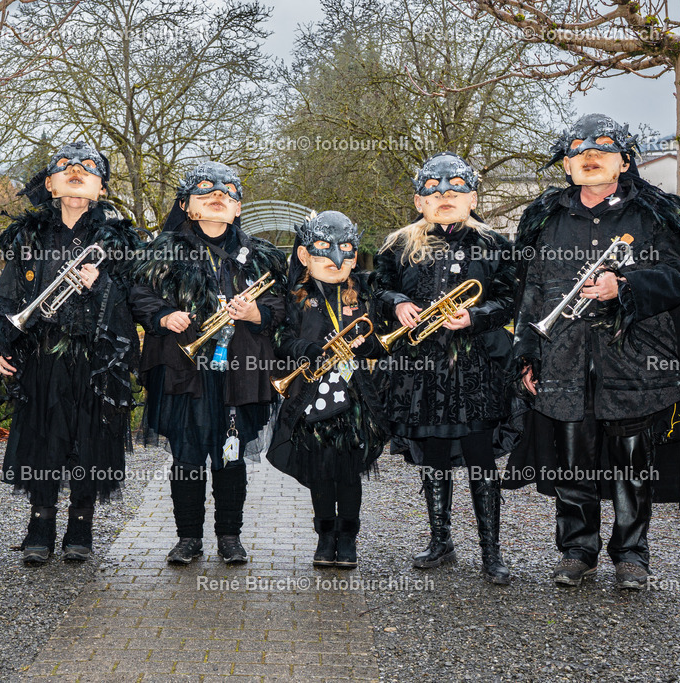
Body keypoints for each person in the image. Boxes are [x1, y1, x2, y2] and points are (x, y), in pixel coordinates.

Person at [509, 113, 680, 590]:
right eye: (578, 149)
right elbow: (532, 291)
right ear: (566, 165)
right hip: (564, 357)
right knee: (572, 461)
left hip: (634, 360)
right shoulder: (547, 219)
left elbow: (677, 278)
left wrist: (625, 285)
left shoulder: (655, 214)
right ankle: (577, 551)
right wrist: (528, 355)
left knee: (632, 465)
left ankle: (631, 555)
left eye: (602, 148)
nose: (589, 155)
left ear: (624, 161)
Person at [0, 141, 141, 564]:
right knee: (44, 442)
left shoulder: (119, 240)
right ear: (49, 184)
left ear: (102, 187)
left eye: (88, 169)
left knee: (89, 442)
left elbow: (134, 301)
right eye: (65, 167)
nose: (76, 172)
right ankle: (39, 526)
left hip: (96, 361)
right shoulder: (31, 236)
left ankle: (81, 527)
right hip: (43, 357)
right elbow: (7, 297)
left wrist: (101, 285)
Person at [130, 161, 287, 565]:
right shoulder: (161, 250)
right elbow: (139, 295)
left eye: (227, 193)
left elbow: (281, 305)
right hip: (183, 369)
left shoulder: (261, 255)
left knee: (231, 456)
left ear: (238, 208)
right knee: (186, 456)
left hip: (240, 370)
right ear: (185, 205)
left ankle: (229, 538)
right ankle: (188, 538)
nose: (218, 196)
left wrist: (256, 312)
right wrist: (164, 315)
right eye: (205, 191)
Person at [372, 152, 517, 585]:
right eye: (434, 192)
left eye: (455, 190)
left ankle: (491, 552)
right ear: (419, 202)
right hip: (422, 370)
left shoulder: (495, 244)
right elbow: (377, 289)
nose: (445, 197)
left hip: (476, 368)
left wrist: (476, 315)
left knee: (480, 458)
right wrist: (397, 303)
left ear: (473, 198)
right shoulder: (398, 245)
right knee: (434, 456)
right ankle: (441, 540)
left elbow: (511, 299)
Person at [266, 211, 390, 568]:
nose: (336, 258)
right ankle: (325, 537)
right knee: (320, 471)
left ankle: (348, 538)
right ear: (304, 255)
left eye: (346, 249)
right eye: (323, 248)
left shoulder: (365, 292)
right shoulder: (294, 295)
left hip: (355, 398)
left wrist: (367, 345)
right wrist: (306, 349)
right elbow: (280, 339)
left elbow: (385, 340)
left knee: (349, 472)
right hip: (311, 396)